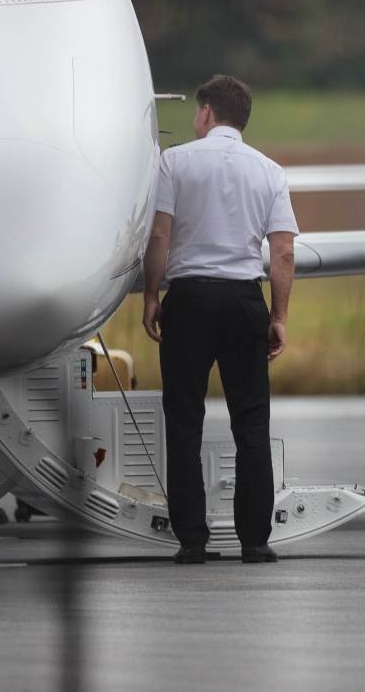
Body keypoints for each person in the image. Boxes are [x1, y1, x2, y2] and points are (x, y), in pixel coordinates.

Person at [142, 74, 298, 565]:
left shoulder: (175, 162)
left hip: (188, 300)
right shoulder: (269, 171)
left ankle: (192, 539)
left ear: (207, 113)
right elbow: (284, 252)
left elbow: (160, 237)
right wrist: (278, 316)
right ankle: (255, 539)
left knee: (184, 419)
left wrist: (151, 296)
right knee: (251, 422)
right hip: (242, 301)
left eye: (196, 112)